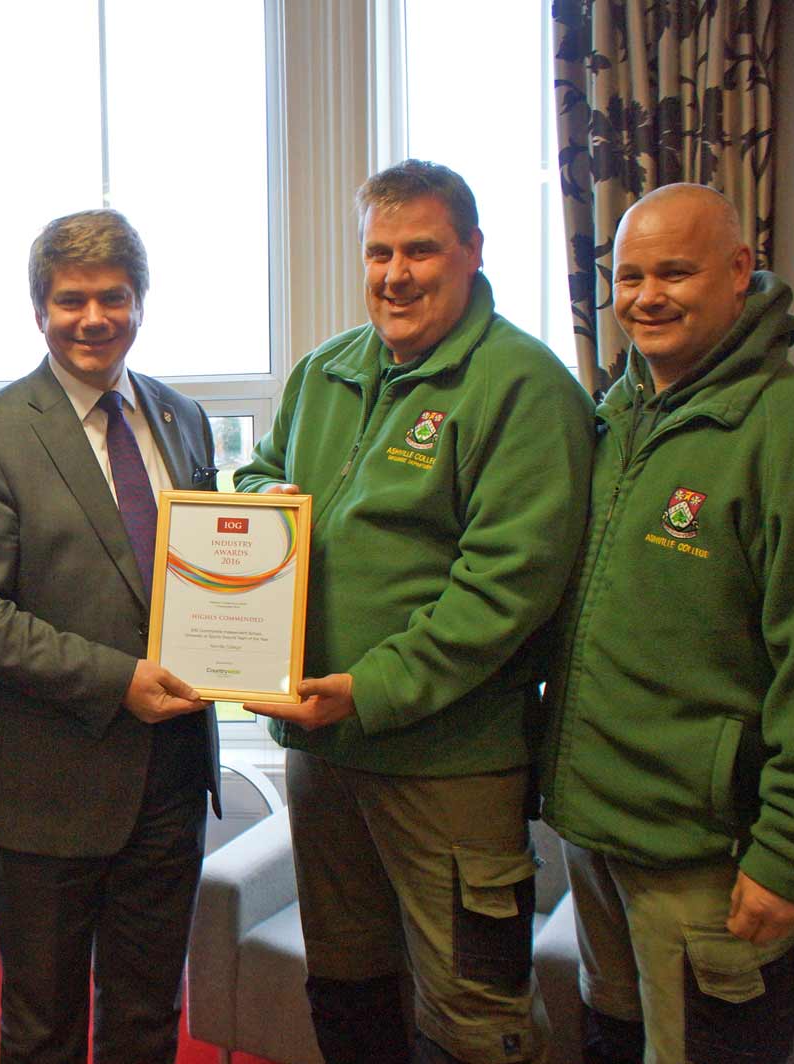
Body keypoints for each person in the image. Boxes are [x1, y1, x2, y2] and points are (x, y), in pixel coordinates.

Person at [234, 159, 595, 1064]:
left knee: (476, 1016)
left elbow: (505, 589)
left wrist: (371, 689)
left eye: (422, 250)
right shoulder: (326, 372)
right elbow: (254, 476)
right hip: (326, 755)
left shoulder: (523, 385)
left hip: (450, 769)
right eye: (379, 251)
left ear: (472, 251)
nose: (396, 274)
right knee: (346, 984)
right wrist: (261, 496)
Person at [539, 183, 794, 1064]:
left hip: (708, 855)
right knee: (613, 1041)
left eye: (676, 272)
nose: (646, 296)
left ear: (739, 273)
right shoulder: (615, 417)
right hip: (600, 831)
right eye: (629, 276)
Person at [0, 208, 220, 1063]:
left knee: (147, 1018)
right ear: (39, 311)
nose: (94, 319)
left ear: (141, 302)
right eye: (71, 301)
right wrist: (115, 679)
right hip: (49, 787)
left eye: (114, 298)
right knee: (43, 1029)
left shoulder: (182, 418)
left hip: (170, 778)